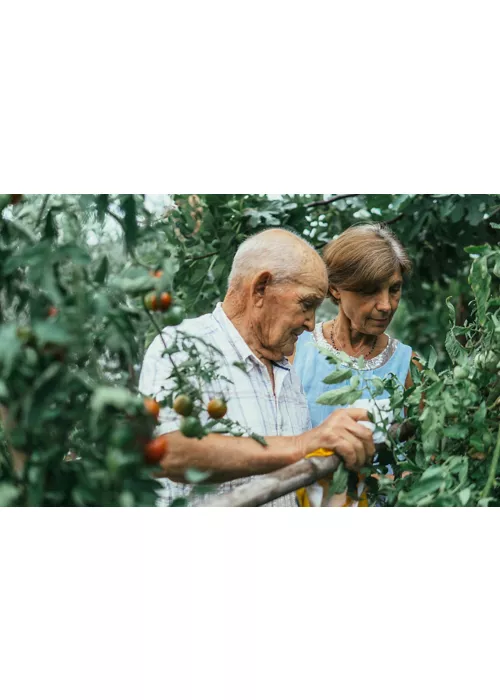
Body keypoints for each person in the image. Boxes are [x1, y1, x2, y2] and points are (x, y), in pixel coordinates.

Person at [139, 228, 375, 506]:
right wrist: (302, 444)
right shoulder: (182, 346)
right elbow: (165, 452)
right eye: (306, 304)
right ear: (261, 288)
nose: (312, 323)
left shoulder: (287, 371)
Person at [293, 223, 415, 507]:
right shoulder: (296, 352)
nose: (386, 305)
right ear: (335, 288)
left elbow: (418, 456)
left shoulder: (409, 365)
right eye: (370, 291)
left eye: (394, 289)